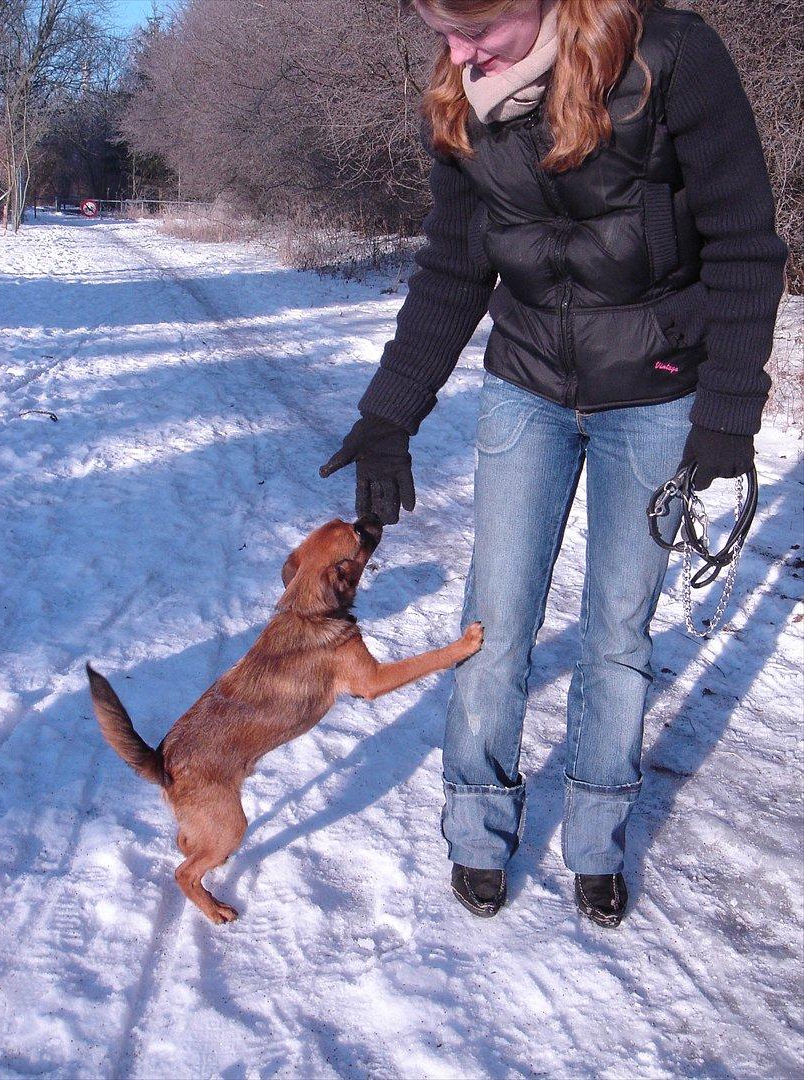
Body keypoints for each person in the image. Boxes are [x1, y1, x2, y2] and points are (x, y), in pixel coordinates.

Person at [320, 0, 787, 925]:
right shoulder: (457, 99)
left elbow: (745, 244)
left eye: (474, 30)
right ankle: (478, 830)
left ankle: (597, 840)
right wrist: (388, 416)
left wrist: (729, 416)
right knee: (492, 624)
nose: (455, 54)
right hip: (527, 384)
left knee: (618, 632)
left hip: (654, 392)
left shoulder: (670, 56)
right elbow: (455, 268)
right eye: (439, 31)